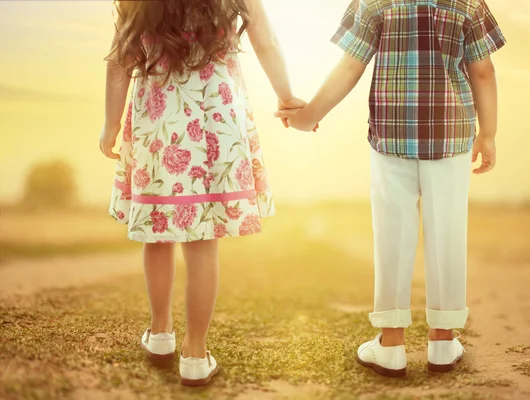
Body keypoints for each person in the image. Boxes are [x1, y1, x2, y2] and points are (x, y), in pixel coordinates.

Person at [276, 0, 506, 376]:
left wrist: (308, 117)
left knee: (392, 237)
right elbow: (483, 71)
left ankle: (391, 345)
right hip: (451, 136)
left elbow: (350, 66)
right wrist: (490, 134)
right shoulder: (467, 3)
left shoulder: (373, 1)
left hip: (391, 137)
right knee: (447, 232)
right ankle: (443, 342)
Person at [98, 0, 311, 386]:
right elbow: (266, 41)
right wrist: (285, 94)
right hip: (216, 117)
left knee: (158, 231)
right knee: (202, 242)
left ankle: (161, 334)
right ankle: (195, 354)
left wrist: (110, 124)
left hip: (158, 120)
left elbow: (120, 60)